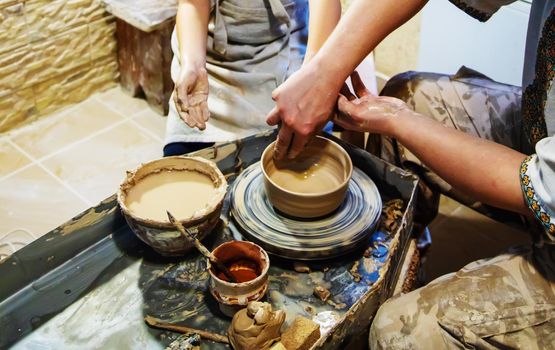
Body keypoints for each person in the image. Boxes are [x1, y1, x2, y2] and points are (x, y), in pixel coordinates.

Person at [337, 71, 555, 349]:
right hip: (546, 132)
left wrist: (397, 120)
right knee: (404, 96)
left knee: (400, 331)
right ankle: (401, 272)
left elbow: (537, 185)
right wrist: (328, 69)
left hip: (546, 185)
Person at [164, 0, 344, 156]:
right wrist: (193, 64)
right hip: (209, 60)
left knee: (301, 150)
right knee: (185, 166)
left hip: (288, 49)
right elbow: (192, 3)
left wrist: (313, 77)